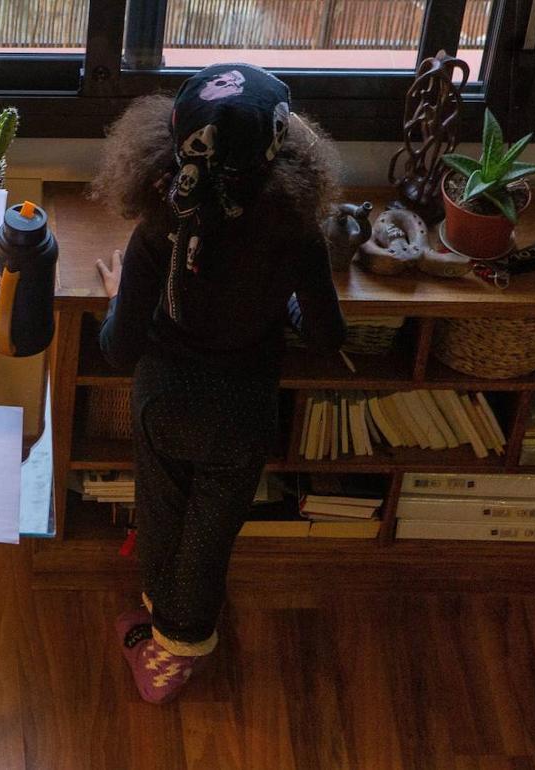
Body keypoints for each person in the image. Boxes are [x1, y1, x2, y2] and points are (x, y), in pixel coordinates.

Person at [90, 64, 346, 704]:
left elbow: (119, 350)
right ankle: (178, 635)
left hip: (165, 403)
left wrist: (120, 298)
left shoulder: (159, 231)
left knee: (162, 518)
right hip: (242, 412)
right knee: (208, 539)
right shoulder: (298, 233)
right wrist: (284, 306)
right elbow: (328, 337)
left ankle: (168, 652)